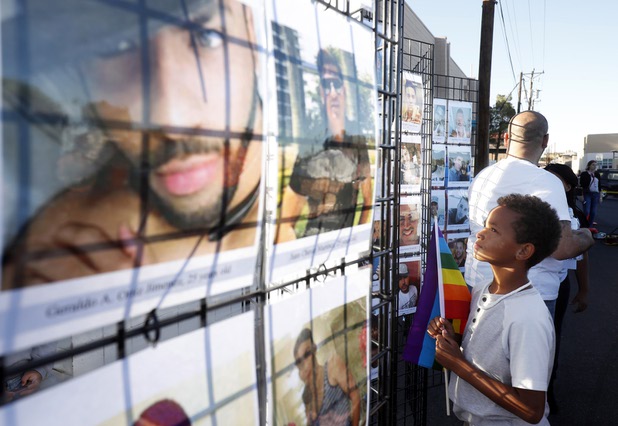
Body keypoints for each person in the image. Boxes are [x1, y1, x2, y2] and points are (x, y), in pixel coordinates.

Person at [2, 0, 263, 288]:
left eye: (207, 37)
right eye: (117, 46)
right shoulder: (64, 239)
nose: (171, 121)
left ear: (251, 34)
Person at [428, 194, 562, 425]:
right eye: (485, 226)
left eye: (494, 230)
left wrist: (458, 364)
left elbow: (532, 410)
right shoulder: (482, 290)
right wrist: (453, 339)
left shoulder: (528, 317)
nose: (480, 233)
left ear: (523, 251)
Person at [465, 111, 594, 316]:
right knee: (530, 348)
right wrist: (587, 236)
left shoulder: (483, 177)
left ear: (507, 138)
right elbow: (562, 248)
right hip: (529, 293)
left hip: (478, 284)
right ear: (545, 140)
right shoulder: (547, 182)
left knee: (478, 347)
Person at [276, 49, 372, 242]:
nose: (333, 93)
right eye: (327, 86)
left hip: (344, 256)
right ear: (321, 92)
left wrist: (359, 248)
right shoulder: (311, 145)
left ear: (344, 88)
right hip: (313, 252)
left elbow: (369, 202)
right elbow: (285, 224)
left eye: (336, 83)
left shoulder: (357, 140)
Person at [544, 163, 590, 413]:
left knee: (552, 338)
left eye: (554, 180)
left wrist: (584, 290)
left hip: (559, 287)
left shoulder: (575, 214)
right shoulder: (534, 207)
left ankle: (547, 391)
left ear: (568, 186)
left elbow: (582, 258)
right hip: (529, 285)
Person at [293, 328, 361, 426]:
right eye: (299, 362)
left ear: (314, 349)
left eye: (307, 354)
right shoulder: (306, 395)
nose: (305, 364)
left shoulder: (332, 366)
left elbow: (356, 396)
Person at [579, 160, 602, 225]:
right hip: (587, 193)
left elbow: (599, 185)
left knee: (593, 211)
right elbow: (582, 185)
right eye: (593, 165)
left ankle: (590, 224)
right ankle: (584, 223)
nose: (594, 166)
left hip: (596, 194)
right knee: (586, 211)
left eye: (595, 165)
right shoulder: (584, 174)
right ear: (589, 165)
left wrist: (600, 196)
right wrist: (581, 195)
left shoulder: (597, 174)